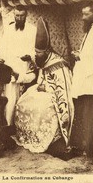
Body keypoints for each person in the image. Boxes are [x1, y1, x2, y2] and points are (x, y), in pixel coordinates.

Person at [14, 17, 76, 160]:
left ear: (47, 51)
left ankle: (51, 139)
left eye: (39, 53)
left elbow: (62, 90)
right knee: (23, 101)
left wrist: (45, 88)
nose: (36, 55)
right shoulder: (41, 60)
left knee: (41, 107)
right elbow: (37, 75)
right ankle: (30, 136)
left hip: (54, 97)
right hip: (42, 91)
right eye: (35, 52)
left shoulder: (58, 64)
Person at [0, 5, 37, 125]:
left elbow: (36, 49)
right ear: (14, 16)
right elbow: (3, 47)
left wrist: (30, 57)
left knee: (21, 97)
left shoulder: (32, 30)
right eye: (17, 16)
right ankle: (8, 124)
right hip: (10, 66)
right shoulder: (9, 29)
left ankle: (19, 125)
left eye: (22, 16)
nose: (19, 18)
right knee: (9, 96)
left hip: (24, 67)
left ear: (26, 16)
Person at [71, 3, 93, 157]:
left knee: (88, 113)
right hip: (85, 79)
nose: (83, 18)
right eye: (82, 14)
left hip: (91, 79)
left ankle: (89, 147)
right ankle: (84, 146)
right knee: (83, 112)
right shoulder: (90, 30)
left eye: (86, 14)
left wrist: (79, 56)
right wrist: (80, 54)